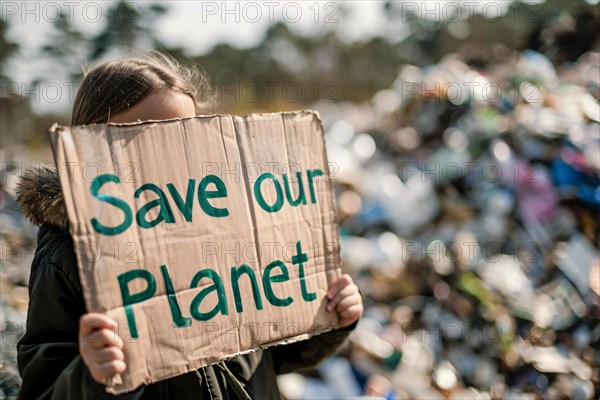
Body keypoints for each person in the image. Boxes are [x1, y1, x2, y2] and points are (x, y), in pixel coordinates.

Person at [15, 53, 363, 400]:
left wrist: (330, 319)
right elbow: (43, 391)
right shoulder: (66, 257)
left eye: (184, 137)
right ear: (90, 146)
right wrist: (92, 377)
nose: (168, 157)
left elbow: (272, 355)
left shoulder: (229, 230)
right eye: (143, 140)